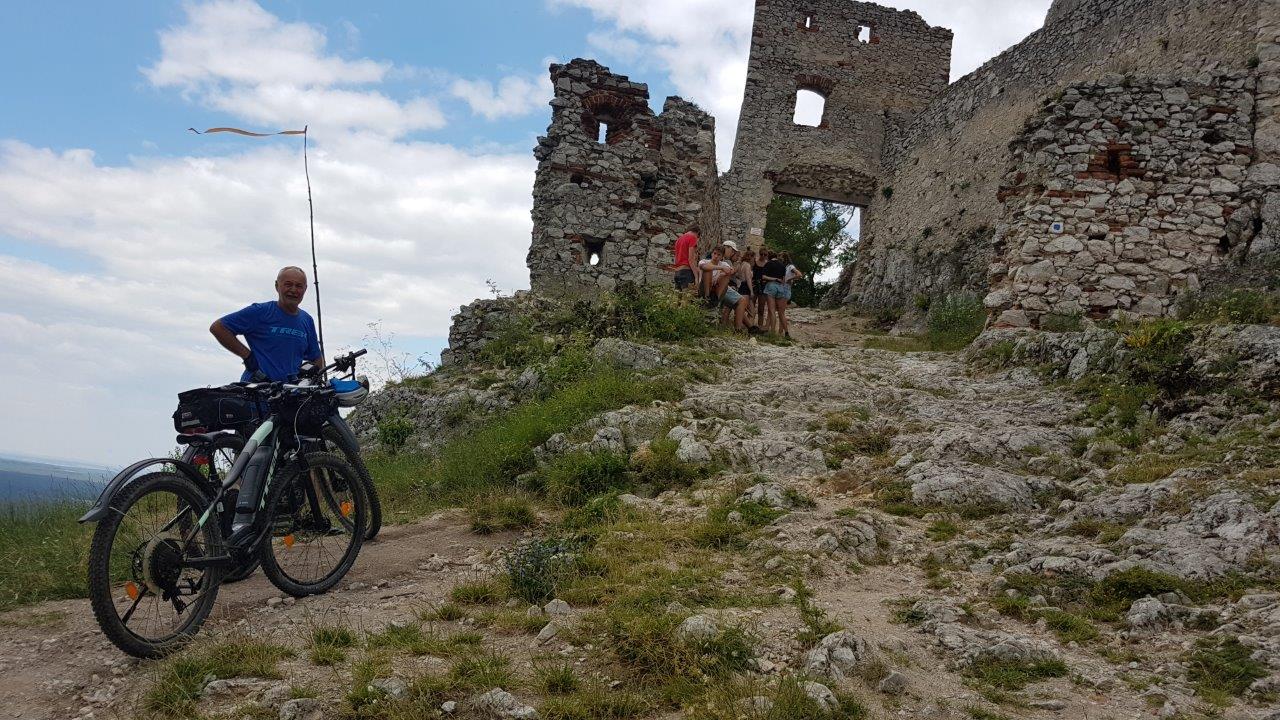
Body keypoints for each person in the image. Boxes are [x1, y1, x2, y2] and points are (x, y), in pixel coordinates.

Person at [211, 266, 323, 382]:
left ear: (305, 289)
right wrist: (248, 357)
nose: (293, 290)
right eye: (288, 284)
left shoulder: (307, 320)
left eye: (299, 286)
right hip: (256, 389)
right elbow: (218, 327)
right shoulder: (260, 311)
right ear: (277, 286)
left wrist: (311, 380)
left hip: (290, 391)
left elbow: (317, 359)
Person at [700, 246, 750, 331]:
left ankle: (716, 298)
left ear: (722, 257)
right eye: (714, 253)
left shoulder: (724, 264)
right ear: (712, 254)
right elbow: (704, 267)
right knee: (708, 270)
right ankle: (707, 297)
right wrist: (721, 268)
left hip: (717, 289)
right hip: (704, 288)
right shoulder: (704, 261)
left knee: (726, 275)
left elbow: (730, 271)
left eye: (718, 255)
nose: (716, 256)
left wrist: (721, 274)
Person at [761, 251, 788, 336]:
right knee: (781, 312)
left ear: (768, 256)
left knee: (771, 310)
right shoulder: (782, 265)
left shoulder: (768, 264)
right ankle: (785, 332)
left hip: (771, 286)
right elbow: (783, 280)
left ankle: (772, 332)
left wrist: (774, 279)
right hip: (780, 287)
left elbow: (763, 277)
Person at [667, 225, 701, 292]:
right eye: (698, 237)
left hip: (677, 272)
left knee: (677, 298)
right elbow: (691, 259)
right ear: (697, 233)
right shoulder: (692, 238)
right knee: (688, 297)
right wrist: (696, 277)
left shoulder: (679, 239)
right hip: (686, 272)